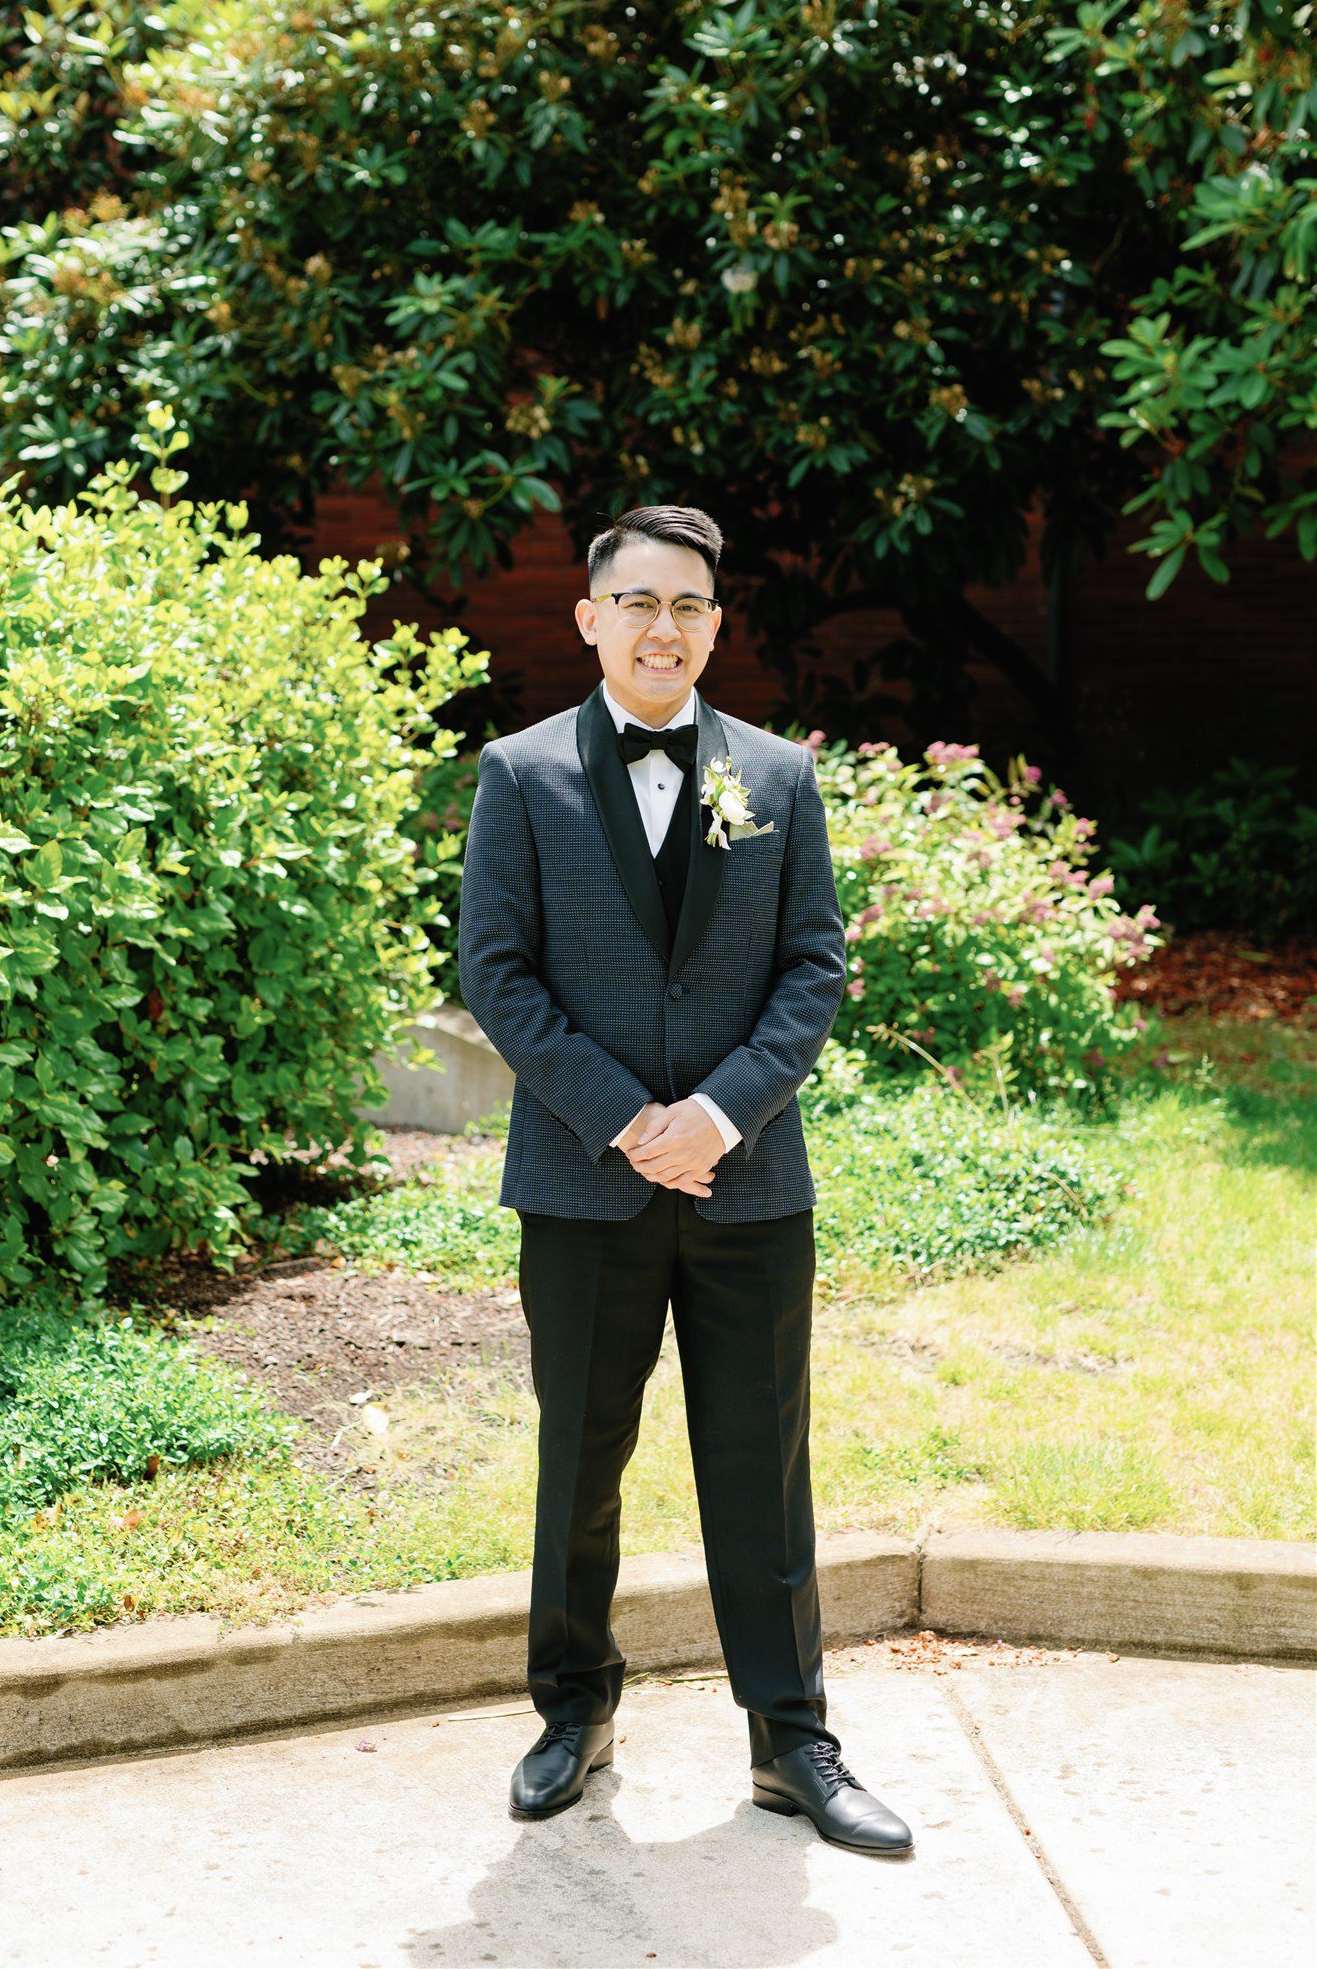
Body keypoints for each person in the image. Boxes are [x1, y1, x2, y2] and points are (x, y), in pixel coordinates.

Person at [457, 504, 914, 1857]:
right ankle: (570, 1715)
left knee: (759, 1467)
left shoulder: (775, 776)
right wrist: (627, 1121)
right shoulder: (520, 775)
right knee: (577, 1463)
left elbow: (811, 968)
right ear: (591, 618)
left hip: (748, 1185)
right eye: (640, 603)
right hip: (581, 1186)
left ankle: (792, 1743)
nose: (666, 629)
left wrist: (716, 1115)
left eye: (691, 608)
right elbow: (498, 972)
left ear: (718, 626)